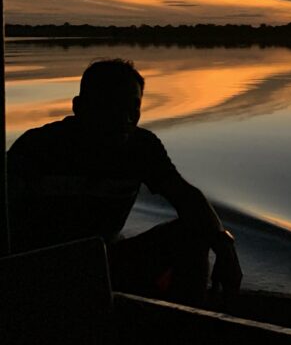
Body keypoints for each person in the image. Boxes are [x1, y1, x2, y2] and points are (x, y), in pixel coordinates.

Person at [6, 58, 242, 304]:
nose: (124, 119)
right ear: (79, 107)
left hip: (107, 262)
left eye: (132, 108)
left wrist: (224, 245)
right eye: (110, 107)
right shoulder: (37, 147)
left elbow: (186, 196)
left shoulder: (142, 147)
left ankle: (188, 323)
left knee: (192, 232)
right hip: (40, 271)